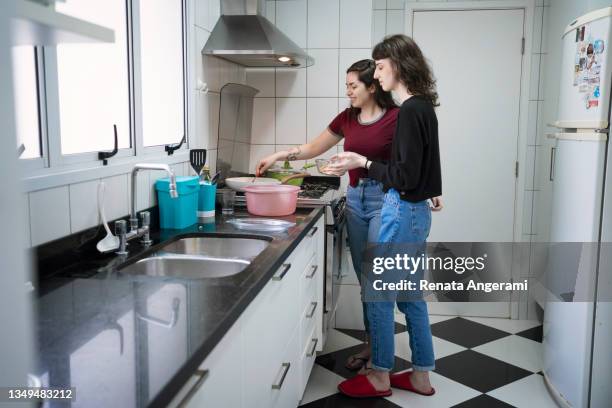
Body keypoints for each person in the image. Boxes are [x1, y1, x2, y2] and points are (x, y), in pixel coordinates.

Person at [256, 60, 398, 371]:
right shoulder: (348, 117)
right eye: (346, 85)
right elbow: (314, 147)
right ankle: (374, 345)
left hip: (385, 201)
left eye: (353, 86)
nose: (348, 91)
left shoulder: (396, 118)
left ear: (372, 86)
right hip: (357, 199)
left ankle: (381, 364)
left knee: (377, 281)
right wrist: (280, 154)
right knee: (365, 280)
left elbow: (408, 165)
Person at [325, 34, 443, 398]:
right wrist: (431, 190)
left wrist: (361, 162)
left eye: (379, 66)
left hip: (400, 209)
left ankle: (379, 376)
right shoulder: (423, 107)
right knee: (409, 296)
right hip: (417, 213)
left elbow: (402, 176)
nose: (376, 74)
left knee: (377, 294)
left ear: (398, 64)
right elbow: (428, 167)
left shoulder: (408, 111)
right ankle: (421, 375)